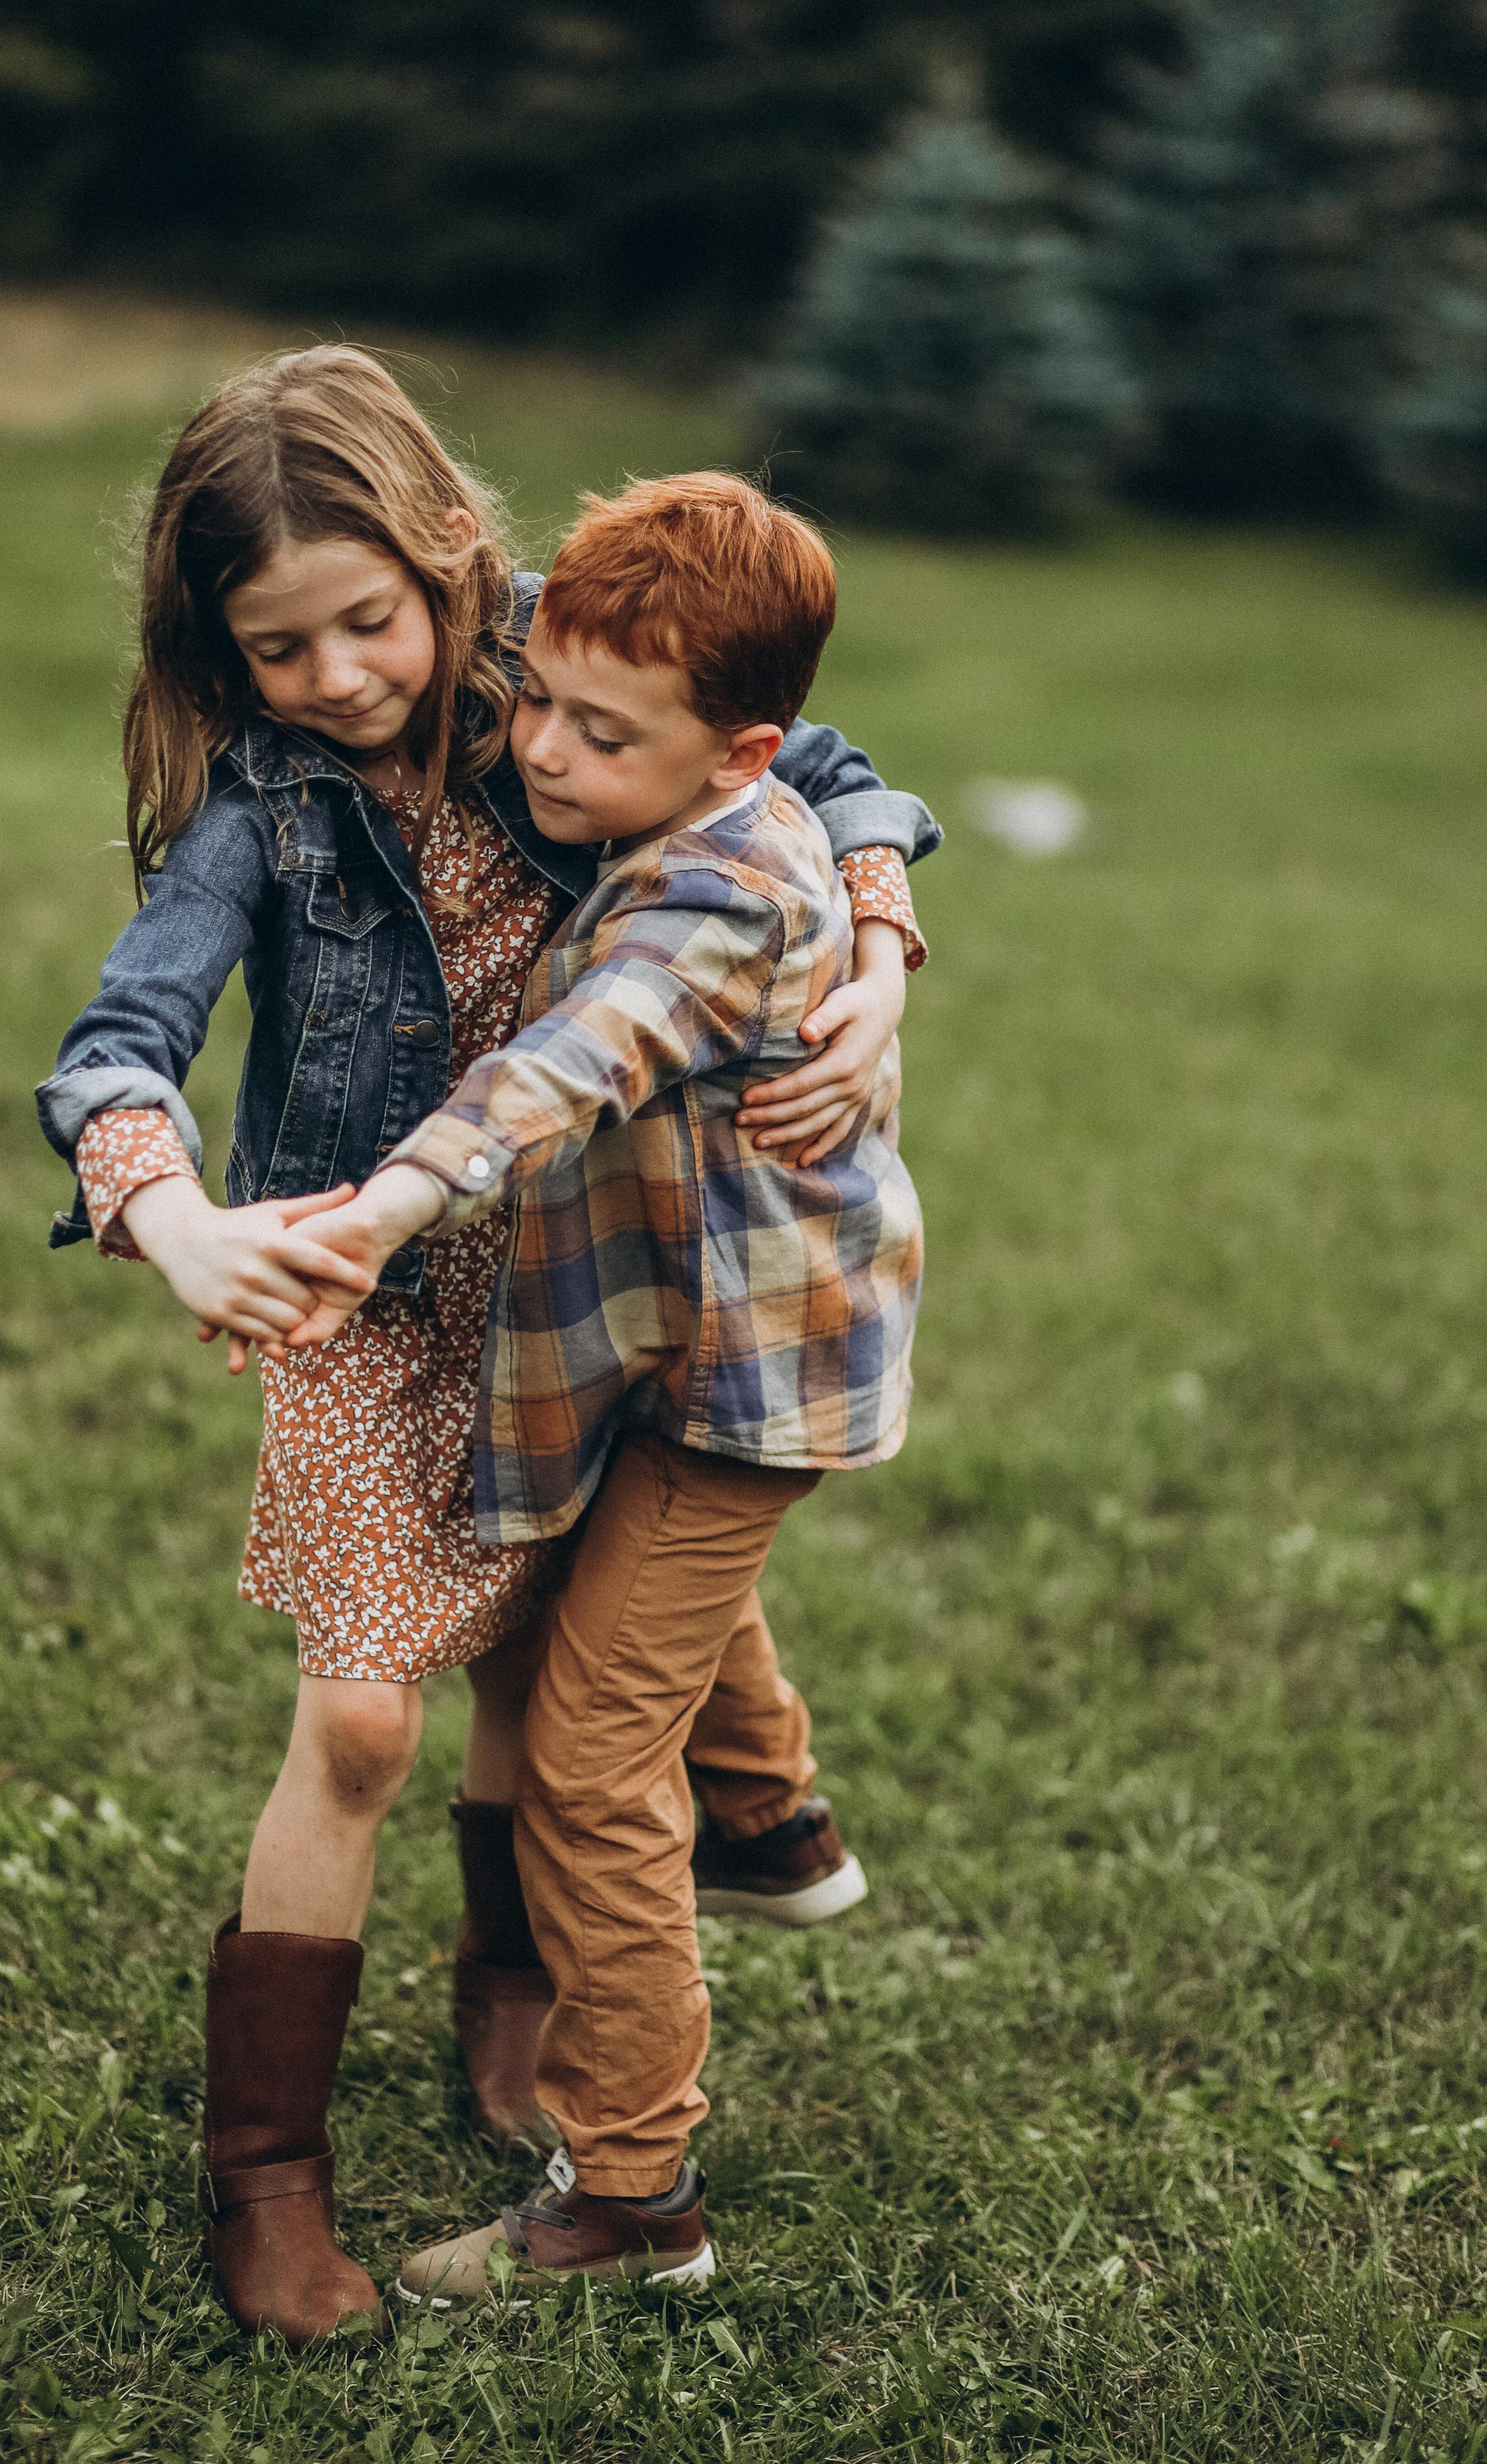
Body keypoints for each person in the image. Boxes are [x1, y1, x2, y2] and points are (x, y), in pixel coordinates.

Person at [34, 352, 939, 2342]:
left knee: (539, 1674)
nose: (348, 674)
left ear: (452, 565)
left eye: (374, 620)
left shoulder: (564, 668)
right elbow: (118, 1047)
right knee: (362, 1719)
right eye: (282, 646)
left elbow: (819, 767)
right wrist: (174, 1213)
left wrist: (877, 959)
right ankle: (268, 2169)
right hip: (365, 1282)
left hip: (576, 1286)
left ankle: (514, 1997)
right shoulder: (250, 814)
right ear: (219, 648)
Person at [277, 473, 926, 2304]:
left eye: (596, 732)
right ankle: (775, 1822)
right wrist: (886, 940)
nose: (540, 754)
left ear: (743, 750)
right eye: (536, 702)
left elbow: (576, 1054)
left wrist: (389, 1197)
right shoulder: (702, 787)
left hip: (738, 1383)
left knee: (581, 1758)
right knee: (617, 1586)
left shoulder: (716, 886)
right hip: (678, 1335)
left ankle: (633, 2198)